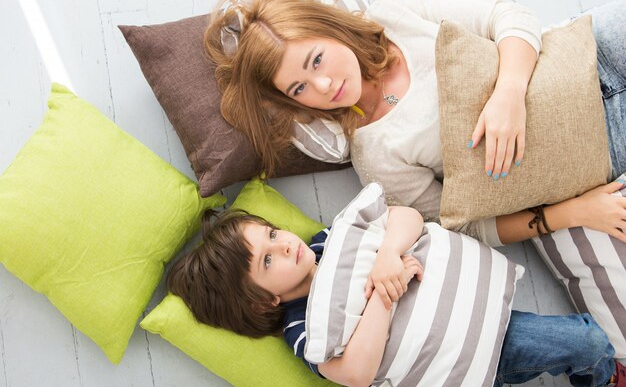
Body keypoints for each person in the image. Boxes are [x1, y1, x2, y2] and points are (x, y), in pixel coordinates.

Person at [203, 0, 626, 248]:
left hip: (593, 48)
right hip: (605, 141)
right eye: (299, 88)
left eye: (316, 60)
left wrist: (509, 93)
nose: (325, 86)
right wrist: (568, 215)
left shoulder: (395, 14)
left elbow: (507, 16)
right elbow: (463, 226)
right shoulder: (375, 153)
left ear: (329, 30)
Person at [167, 207, 625, 387]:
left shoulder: (333, 241)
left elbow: (405, 215)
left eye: (271, 234)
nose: (284, 244)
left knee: (588, 343)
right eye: (268, 260)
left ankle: (604, 378)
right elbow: (354, 373)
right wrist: (384, 297)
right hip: (444, 367)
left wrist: (388, 253)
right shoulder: (300, 324)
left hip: (484, 326)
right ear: (262, 302)